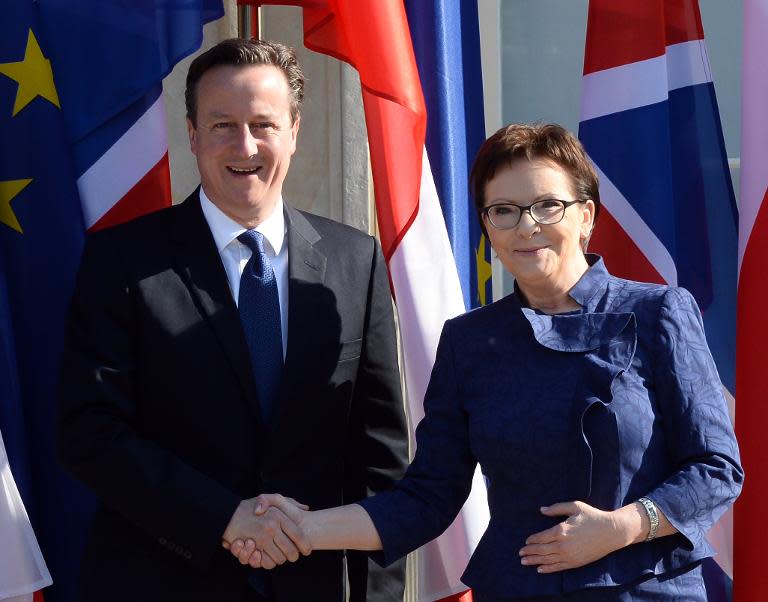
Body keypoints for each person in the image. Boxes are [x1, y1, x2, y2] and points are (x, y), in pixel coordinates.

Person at [230, 123, 743, 601]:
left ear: (586, 216)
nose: (527, 226)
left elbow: (717, 469)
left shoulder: (657, 312)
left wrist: (624, 526)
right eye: (505, 210)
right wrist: (302, 528)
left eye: (548, 205)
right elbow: (427, 497)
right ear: (488, 228)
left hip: (646, 590)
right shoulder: (468, 342)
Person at [57, 38, 408, 602]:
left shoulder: (354, 260)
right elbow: (90, 432)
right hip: (159, 582)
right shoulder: (122, 261)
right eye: (222, 125)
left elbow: (379, 460)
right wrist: (225, 517)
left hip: (309, 587)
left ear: (294, 132)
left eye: (263, 124)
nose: (244, 145)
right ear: (192, 135)